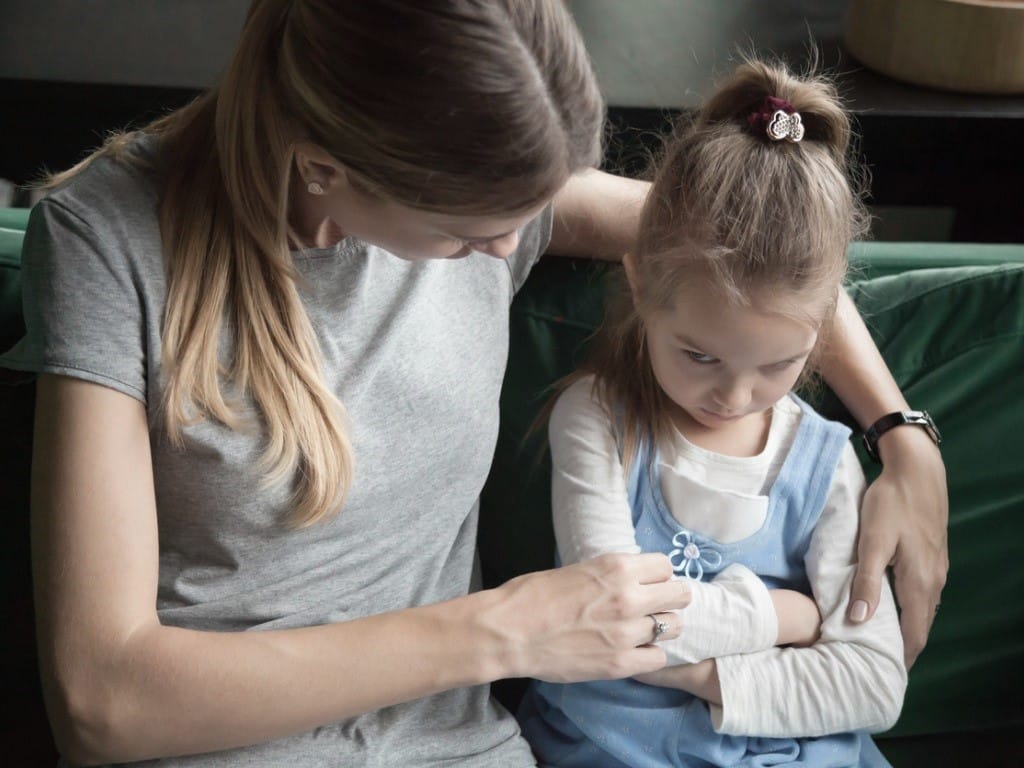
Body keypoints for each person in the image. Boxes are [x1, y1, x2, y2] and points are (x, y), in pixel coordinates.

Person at [0, 1, 942, 765]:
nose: (504, 250)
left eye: (530, 214)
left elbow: (768, 252)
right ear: (324, 169)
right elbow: (102, 703)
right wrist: (502, 633)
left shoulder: (492, 196)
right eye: (468, 236)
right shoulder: (109, 242)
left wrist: (900, 432)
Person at [517, 59, 908, 767]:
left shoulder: (826, 463)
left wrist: (699, 671)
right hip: (617, 748)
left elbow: (874, 683)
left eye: (780, 365)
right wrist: (783, 617)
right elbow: (609, 619)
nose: (732, 397)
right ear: (639, 284)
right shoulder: (600, 421)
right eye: (699, 357)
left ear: (823, 325)